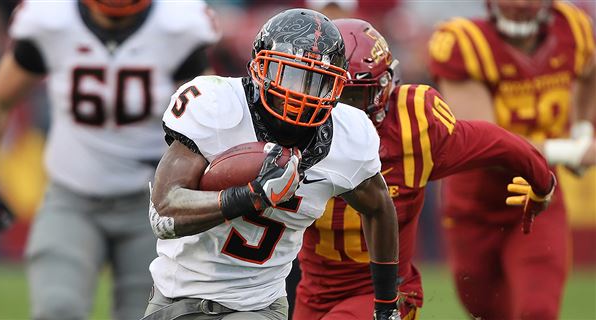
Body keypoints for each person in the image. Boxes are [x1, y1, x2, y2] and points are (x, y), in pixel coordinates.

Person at [143, 9, 401, 320]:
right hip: (175, 297)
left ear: (336, 88)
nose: (301, 93)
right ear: (259, 67)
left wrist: (387, 305)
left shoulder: (350, 136)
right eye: (289, 74)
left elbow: (379, 207)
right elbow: (164, 212)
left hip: (258, 306)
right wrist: (249, 195)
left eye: (317, 82)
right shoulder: (216, 105)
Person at [291, 18, 557, 320]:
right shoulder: (293, 129)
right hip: (314, 294)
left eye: (352, 98)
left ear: (384, 88)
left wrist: (542, 184)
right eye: (330, 94)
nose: (340, 112)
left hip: (386, 293)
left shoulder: (414, 126)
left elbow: (498, 142)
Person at [0, 0, 220, 319]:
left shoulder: (177, 26)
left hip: (153, 204)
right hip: (72, 196)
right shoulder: (53, 20)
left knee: (145, 314)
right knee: (58, 308)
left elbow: (209, 116)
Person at [428, 0, 595, 319]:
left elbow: (590, 72)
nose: (520, 4)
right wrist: (571, 150)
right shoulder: (465, 44)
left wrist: (584, 128)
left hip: (539, 197)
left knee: (538, 309)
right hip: (474, 207)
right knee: (486, 309)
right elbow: (487, 144)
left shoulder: (573, 27)